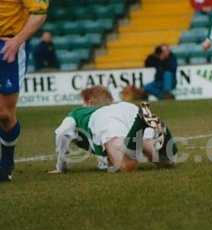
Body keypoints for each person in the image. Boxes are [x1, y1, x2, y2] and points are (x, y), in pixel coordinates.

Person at [50, 86, 177, 174]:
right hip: (130, 110)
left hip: (106, 120)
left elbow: (62, 133)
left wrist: (61, 167)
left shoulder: (79, 112)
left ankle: (139, 124)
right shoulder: (119, 105)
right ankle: (162, 137)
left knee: (127, 165)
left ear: (89, 101)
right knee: (164, 161)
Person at [0, 0, 48, 182]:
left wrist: (17, 41)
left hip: (8, 46)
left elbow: (39, 13)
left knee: (4, 114)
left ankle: (6, 162)